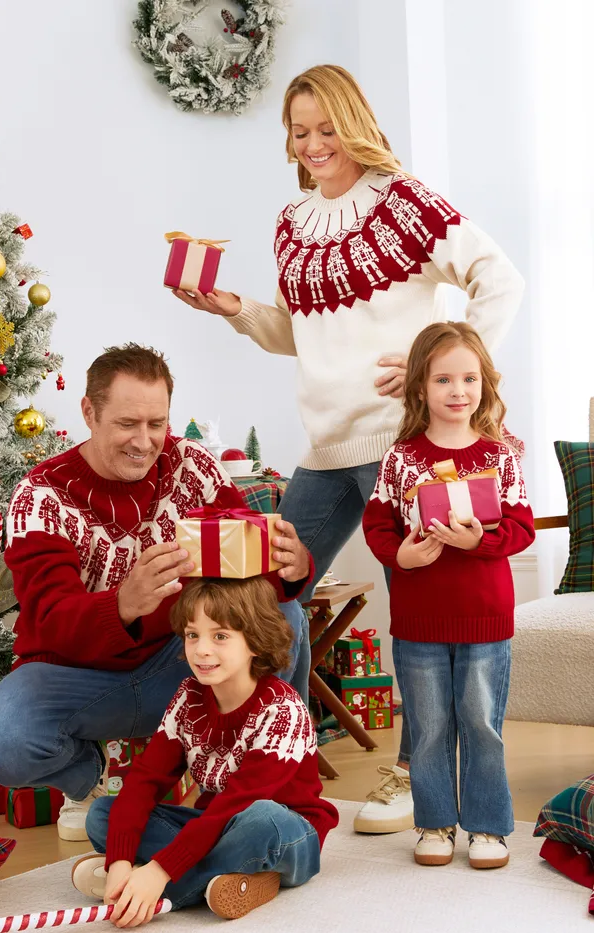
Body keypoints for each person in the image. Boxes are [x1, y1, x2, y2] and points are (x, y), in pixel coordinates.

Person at [171, 64, 525, 833]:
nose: (314, 142)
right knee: (263, 596)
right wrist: (236, 309)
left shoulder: (405, 200)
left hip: (400, 443)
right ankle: (276, 754)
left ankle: (408, 773)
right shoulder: (292, 221)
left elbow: (501, 279)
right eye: (300, 131)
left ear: (354, 122)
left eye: (326, 126)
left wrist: (445, 363)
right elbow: (301, 335)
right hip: (326, 448)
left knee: (422, 606)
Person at [0, 344, 313, 842]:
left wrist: (293, 568)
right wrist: (122, 604)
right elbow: (48, 618)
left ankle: (256, 782)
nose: (145, 441)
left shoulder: (190, 467)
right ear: (89, 412)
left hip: (181, 662)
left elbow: (252, 567)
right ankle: (87, 779)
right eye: (128, 423)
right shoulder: (40, 497)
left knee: (284, 615)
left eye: (157, 423)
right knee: (3, 741)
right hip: (76, 674)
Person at [362, 322, 535, 868]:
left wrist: (481, 541)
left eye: (469, 378)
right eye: (443, 379)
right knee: (430, 728)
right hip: (418, 623)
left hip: (485, 620)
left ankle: (488, 829)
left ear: (484, 383)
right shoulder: (401, 458)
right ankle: (434, 824)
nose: (458, 390)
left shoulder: (500, 455)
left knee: (481, 725)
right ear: (419, 389)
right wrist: (401, 557)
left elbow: (522, 527)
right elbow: (378, 524)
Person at [72, 575, 339, 924]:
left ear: (255, 641)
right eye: (192, 635)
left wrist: (158, 872)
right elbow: (145, 781)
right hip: (215, 825)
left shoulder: (282, 711)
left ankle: (163, 893)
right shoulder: (189, 696)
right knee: (103, 814)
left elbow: (236, 806)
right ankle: (227, 881)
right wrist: (120, 860)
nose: (201, 650)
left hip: (284, 834)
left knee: (261, 818)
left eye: (221, 636)